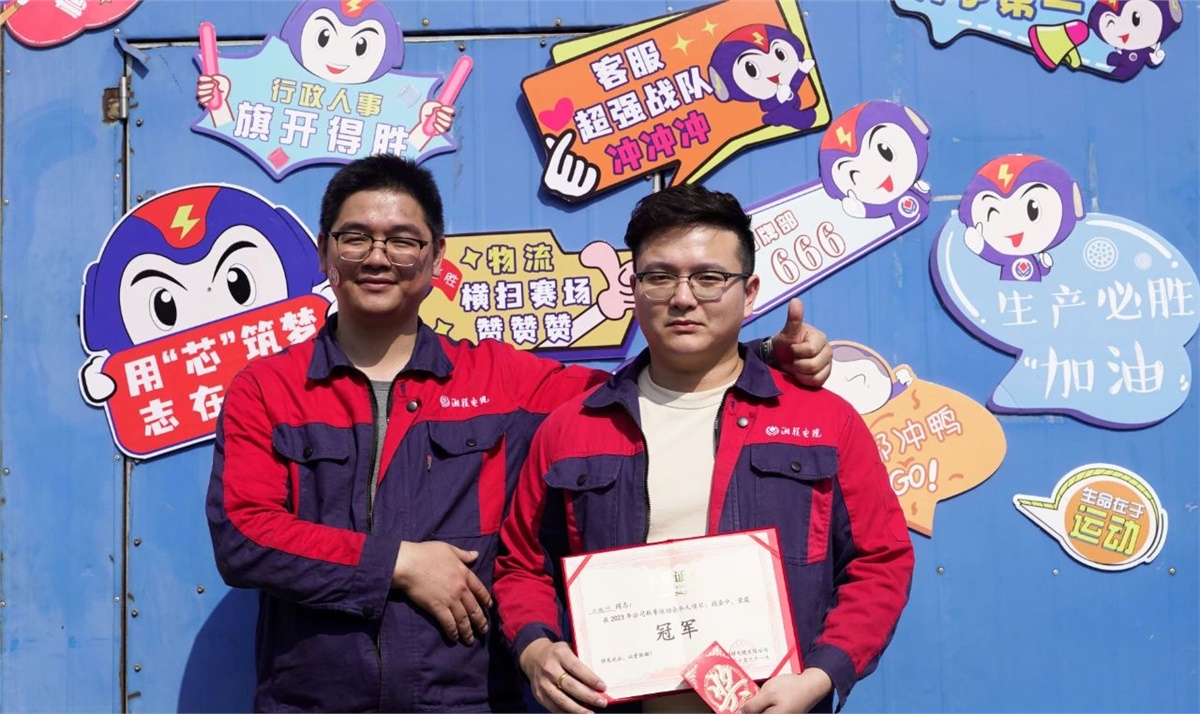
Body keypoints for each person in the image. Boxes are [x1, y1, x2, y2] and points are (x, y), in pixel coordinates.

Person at [205, 155, 833, 712]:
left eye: (402, 240)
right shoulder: (267, 389)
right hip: (310, 700)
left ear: (436, 258)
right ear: (324, 252)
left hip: (469, 699)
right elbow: (244, 536)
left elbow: (655, 385)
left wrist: (755, 356)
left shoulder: (504, 382)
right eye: (355, 238)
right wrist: (398, 564)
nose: (377, 257)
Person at [494, 184, 914, 714]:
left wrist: (820, 675)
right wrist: (535, 648)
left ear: (750, 291)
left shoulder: (825, 421)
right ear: (634, 287)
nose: (683, 298)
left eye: (709, 278)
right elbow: (521, 564)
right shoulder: (572, 428)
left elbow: (880, 561)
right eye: (659, 276)